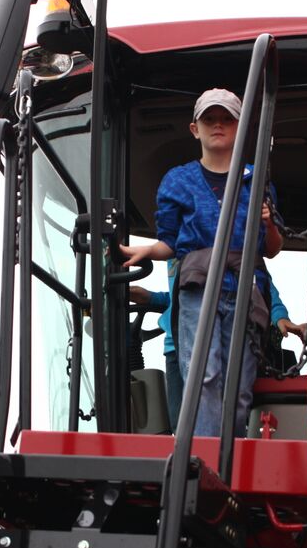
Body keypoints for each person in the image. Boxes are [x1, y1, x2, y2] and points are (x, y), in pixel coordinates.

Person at [119, 88, 283, 437]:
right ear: (195, 129)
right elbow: (170, 242)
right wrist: (146, 251)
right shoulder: (177, 181)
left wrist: (268, 224)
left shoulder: (258, 181)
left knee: (239, 385)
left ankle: (228, 455)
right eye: (210, 119)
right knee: (203, 375)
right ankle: (204, 457)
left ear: (241, 128)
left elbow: (271, 249)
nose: (218, 125)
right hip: (198, 289)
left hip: (244, 290)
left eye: (227, 119)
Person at [130, 274, 304, 433]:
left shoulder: (219, 247)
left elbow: (259, 282)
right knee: (180, 420)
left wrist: (280, 316)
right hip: (175, 347)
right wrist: (151, 297)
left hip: (216, 345)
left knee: (219, 417)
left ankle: (221, 459)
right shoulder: (180, 252)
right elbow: (185, 294)